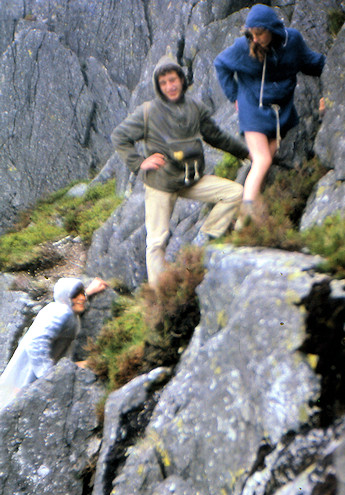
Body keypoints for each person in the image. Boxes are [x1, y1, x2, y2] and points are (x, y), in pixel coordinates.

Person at [111, 55, 250, 288]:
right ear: (158, 86)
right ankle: (159, 295)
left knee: (235, 192)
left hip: (191, 180)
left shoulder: (196, 108)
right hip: (160, 185)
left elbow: (217, 137)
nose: (170, 86)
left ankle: (206, 239)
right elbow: (119, 137)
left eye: (173, 80)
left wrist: (246, 154)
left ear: (182, 80)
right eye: (163, 82)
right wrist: (139, 163)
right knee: (156, 242)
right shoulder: (148, 112)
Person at [214, 4, 326, 215]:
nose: (255, 39)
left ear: (271, 29)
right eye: (251, 34)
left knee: (266, 160)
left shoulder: (292, 41)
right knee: (263, 159)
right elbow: (221, 64)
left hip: (279, 113)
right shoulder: (243, 47)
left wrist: (336, 68)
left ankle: (256, 214)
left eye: (259, 34)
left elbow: (310, 62)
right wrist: (233, 95)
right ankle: (246, 216)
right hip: (252, 109)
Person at [0, 276, 108, 411]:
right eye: (77, 295)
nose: (82, 298)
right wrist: (50, 376)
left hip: (31, 377)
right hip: (30, 377)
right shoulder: (62, 312)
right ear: (66, 298)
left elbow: (70, 298)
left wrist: (89, 291)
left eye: (82, 293)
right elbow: (36, 344)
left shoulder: (61, 309)